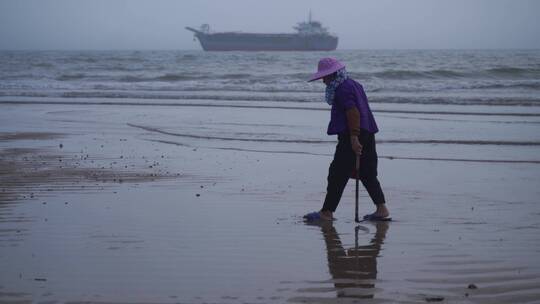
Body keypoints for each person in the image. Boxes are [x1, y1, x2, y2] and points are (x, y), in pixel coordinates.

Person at [304, 57, 390, 221]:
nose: (323, 81)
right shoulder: (354, 84)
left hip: (352, 133)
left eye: (325, 76)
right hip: (368, 131)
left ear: (334, 74)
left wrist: (354, 137)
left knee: (337, 173)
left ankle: (327, 212)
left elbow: (353, 112)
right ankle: (381, 209)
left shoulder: (342, 89)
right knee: (367, 173)